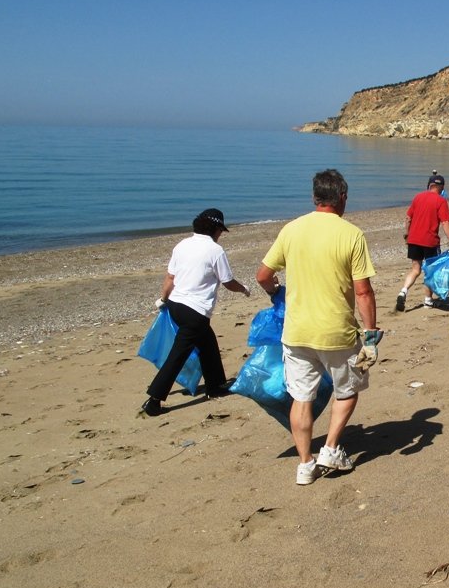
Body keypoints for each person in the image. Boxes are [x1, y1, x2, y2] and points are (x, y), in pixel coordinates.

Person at [255, 169, 381, 486]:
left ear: (314, 198)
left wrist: (274, 292)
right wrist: (371, 332)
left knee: (302, 397)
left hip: (297, 332)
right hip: (336, 331)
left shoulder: (291, 230)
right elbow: (363, 291)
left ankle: (305, 464)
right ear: (342, 197)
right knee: (349, 390)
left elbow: (263, 276)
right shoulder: (351, 234)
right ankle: (329, 449)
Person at [141, 209, 252, 416]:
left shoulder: (182, 245)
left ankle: (215, 385)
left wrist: (163, 300)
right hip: (195, 313)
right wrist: (244, 289)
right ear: (216, 229)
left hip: (176, 306)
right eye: (221, 231)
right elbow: (227, 281)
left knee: (207, 342)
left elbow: (170, 278)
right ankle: (154, 400)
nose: (221, 235)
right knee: (178, 355)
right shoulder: (215, 250)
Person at [395, 175, 449, 311]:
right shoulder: (441, 201)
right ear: (442, 187)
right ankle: (428, 301)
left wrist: (407, 234)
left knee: (415, 270)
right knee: (430, 271)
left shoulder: (418, 197)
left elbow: (408, 218)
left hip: (414, 239)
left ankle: (403, 291)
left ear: (429, 185)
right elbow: (445, 222)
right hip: (430, 241)